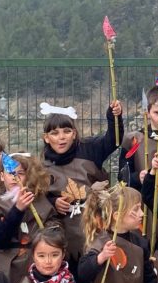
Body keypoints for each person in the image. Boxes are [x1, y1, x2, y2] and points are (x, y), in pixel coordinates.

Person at [42, 100, 123, 264]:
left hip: (96, 222)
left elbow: (113, 140)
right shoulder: (42, 165)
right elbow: (39, 197)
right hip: (64, 229)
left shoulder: (89, 149)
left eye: (66, 131)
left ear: (74, 133)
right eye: (55, 133)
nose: (61, 137)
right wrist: (53, 202)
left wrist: (114, 117)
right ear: (46, 138)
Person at [0, 153, 56, 283]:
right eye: (11, 173)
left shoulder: (40, 201)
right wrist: (17, 210)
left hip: (37, 262)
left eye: (21, 173)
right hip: (7, 265)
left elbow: (54, 229)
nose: (15, 177)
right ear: (2, 176)